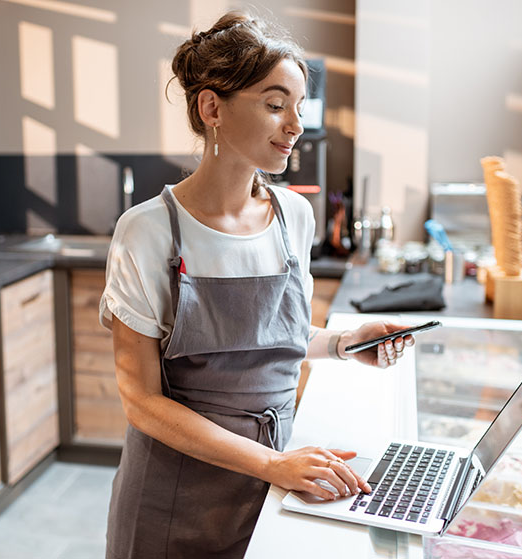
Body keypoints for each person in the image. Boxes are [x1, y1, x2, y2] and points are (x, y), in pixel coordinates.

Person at [99, 11, 414, 559]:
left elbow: (265, 338)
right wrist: (271, 463)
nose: (294, 124)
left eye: (297, 105)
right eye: (274, 104)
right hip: (174, 499)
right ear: (211, 107)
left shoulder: (295, 215)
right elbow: (142, 401)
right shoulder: (148, 231)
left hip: (274, 480)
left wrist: (343, 343)